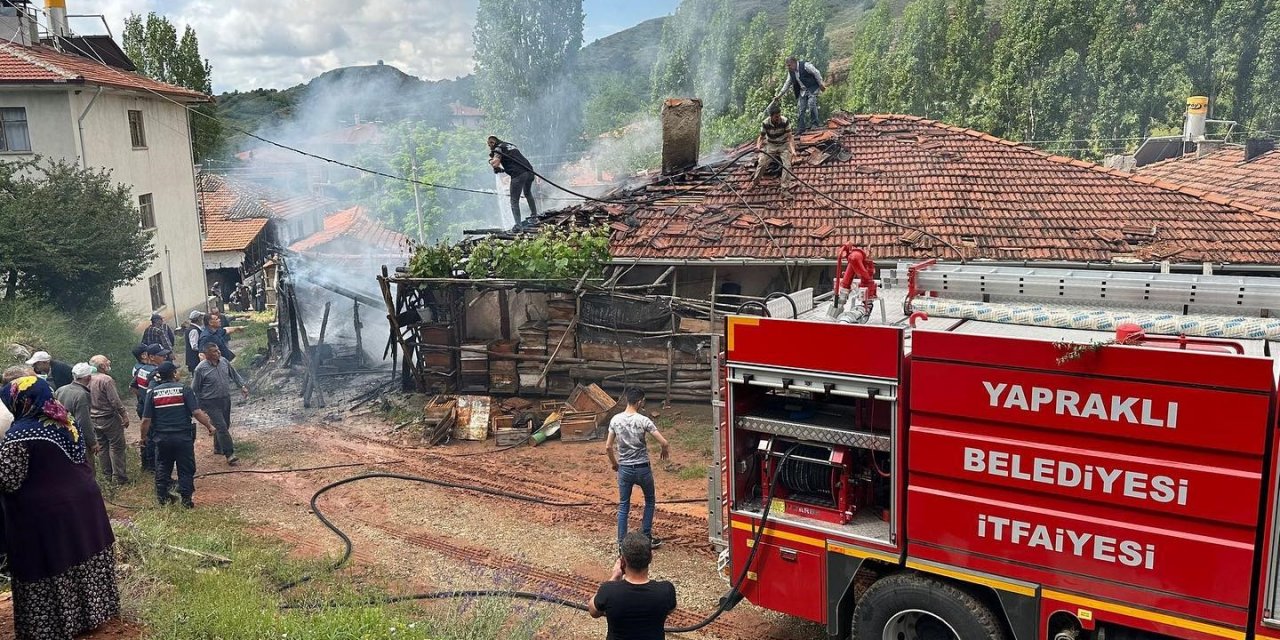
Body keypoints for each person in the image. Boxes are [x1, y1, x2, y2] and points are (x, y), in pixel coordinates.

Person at [0, 376, 119, 639]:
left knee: (51, 562)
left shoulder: (20, 434)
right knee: (81, 557)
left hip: (46, 514)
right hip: (84, 502)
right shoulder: (64, 420)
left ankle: (52, 627)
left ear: (21, 402)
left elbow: (8, 479)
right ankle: (91, 616)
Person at [141, 363, 216, 508]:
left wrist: (143, 437)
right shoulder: (184, 389)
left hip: (162, 438)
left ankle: (163, 498)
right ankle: (186, 500)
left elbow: (146, 420)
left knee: (163, 466)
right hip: (183, 437)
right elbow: (196, 412)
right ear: (174, 373)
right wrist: (209, 426)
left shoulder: (153, 392)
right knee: (185, 468)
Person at [606, 387, 671, 549]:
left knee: (624, 505)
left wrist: (615, 464)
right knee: (649, 501)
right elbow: (664, 442)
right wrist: (664, 450)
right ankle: (646, 536)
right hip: (643, 468)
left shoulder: (615, 420)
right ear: (640, 402)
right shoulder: (643, 420)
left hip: (625, 469)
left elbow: (608, 447)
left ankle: (621, 542)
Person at [588, 531, 677, 640]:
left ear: (622, 561)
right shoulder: (666, 590)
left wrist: (614, 577)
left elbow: (593, 611)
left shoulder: (608, 591)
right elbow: (670, 609)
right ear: (650, 558)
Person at [192, 344, 248, 466]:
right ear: (207, 355)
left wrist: (242, 386)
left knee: (225, 424)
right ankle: (230, 454)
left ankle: (218, 447)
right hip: (210, 402)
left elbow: (234, 374)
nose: (218, 353)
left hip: (225, 399)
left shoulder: (224, 362)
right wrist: (198, 405)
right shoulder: (200, 369)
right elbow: (195, 388)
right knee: (222, 427)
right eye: (214, 351)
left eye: (218, 350)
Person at [88, 355, 130, 485]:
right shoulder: (106, 380)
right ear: (101, 366)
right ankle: (119, 478)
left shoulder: (87, 379)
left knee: (102, 447)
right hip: (109, 418)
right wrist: (124, 415)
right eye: (106, 362)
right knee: (117, 447)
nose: (109, 363)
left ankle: (106, 476)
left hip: (93, 418)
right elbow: (115, 401)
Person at [52, 363, 100, 473]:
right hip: (77, 438)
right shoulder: (82, 394)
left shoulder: (61, 390)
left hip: (61, 436)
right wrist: (92, 442)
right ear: (88, 378)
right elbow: (83, 421)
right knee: (87, 470)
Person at [131, 345, 169, 473]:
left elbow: (132, 387)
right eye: (162, 355)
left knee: (146, 435)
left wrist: (142, 397)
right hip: (152, 410)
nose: (165, 357)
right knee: (155, 438)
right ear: (152, 357)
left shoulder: (141, 369)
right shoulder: (155, 373)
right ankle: (155, 468)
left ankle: (146, 465)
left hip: (142, 406)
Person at [487, 135, 537, 224]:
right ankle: (534, 217)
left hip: (518, 174)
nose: (489, 147)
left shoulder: (498, 148)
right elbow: (512, 161)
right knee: (527, 193)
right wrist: (501, 169)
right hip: (529, 171)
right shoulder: (510, 145)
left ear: (492, 142)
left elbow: (495, 163)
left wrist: (490, 161)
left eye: (489, 145)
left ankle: (518, 226)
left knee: (514, 200)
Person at [749, 103, 799, 192]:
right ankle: (754, 183)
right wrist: (758, 146)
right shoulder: (765, 123)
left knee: (787, 166)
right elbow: (761, 137)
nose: (778, 118)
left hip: (783, 145)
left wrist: (793, 151)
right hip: (771, 145)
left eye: (779, 116)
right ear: (771, 116)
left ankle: (784, 189)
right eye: (776, 117)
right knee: (762, 164)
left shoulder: (785, 121)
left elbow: (790, 137)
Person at [773, 56, 827, 133]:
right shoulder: (791, 72)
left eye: (789, 65)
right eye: (787, 66)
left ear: (794, 63)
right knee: (801, 109)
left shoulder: (805, 65)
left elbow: (816, 72)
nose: (788, 67)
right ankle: (801, 128)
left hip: (812, 87)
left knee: (811, 104)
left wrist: (821, 84)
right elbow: (787, 83)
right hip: (802, 91)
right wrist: (779, 95)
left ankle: (815, 124)